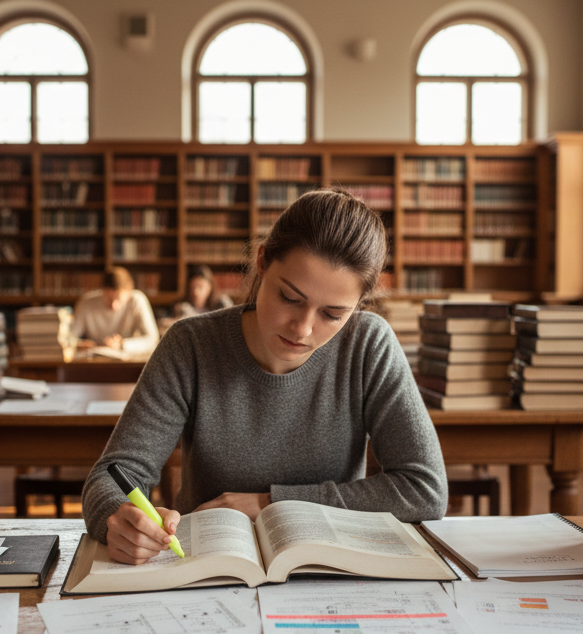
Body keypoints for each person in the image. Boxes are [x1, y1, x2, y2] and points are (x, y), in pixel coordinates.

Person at [80, 189, 447, 564]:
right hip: (204, 571)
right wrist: (116, 517)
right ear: (262, 262)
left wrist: (270, 502)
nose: (303, 329)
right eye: (290, 297)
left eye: (333, 314)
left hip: (329, 572)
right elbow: (113, 475)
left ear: (357, 306)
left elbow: (424, 489)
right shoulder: (191, 344)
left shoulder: (369, 344)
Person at [70, 266, 159, 354]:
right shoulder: (86, 303)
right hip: (92, 361)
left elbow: (152, 339)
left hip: (126, 362)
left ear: (129, 293)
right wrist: (78, 344)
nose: (114, 306)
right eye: (109, 299)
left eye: (119, 299)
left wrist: (123, 344)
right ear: (102, 292)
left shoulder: (137, 300)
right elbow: (67, 337)